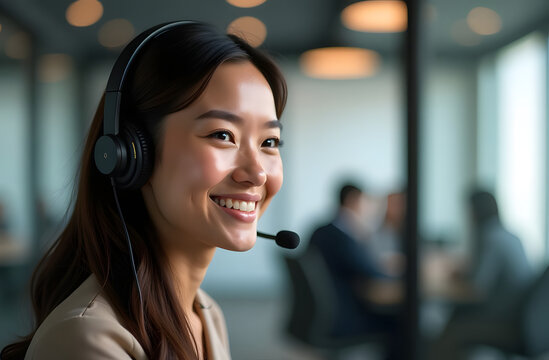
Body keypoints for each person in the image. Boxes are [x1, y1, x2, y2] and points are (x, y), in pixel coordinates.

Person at [1, 20, 287, 360]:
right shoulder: (89, 339)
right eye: (222, 135)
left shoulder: (205, 312)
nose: (256, 172)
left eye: (269, 142)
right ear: (132, 154)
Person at [429, 189, 534, 360]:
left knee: (453, 327)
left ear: (475, 211)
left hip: (504, 320)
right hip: (522, 316)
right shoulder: (510, 235)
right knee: (455, 315)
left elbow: (477, 287)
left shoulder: (490, 238)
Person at [308, 182, 402, 358]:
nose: (369, 210)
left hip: (323, 313)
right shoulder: (342, 238)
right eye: (366, 203)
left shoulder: (320, 231)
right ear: (354, 201)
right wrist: (399, 270)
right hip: (341, 317)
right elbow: (371, 272)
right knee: (399, 323)